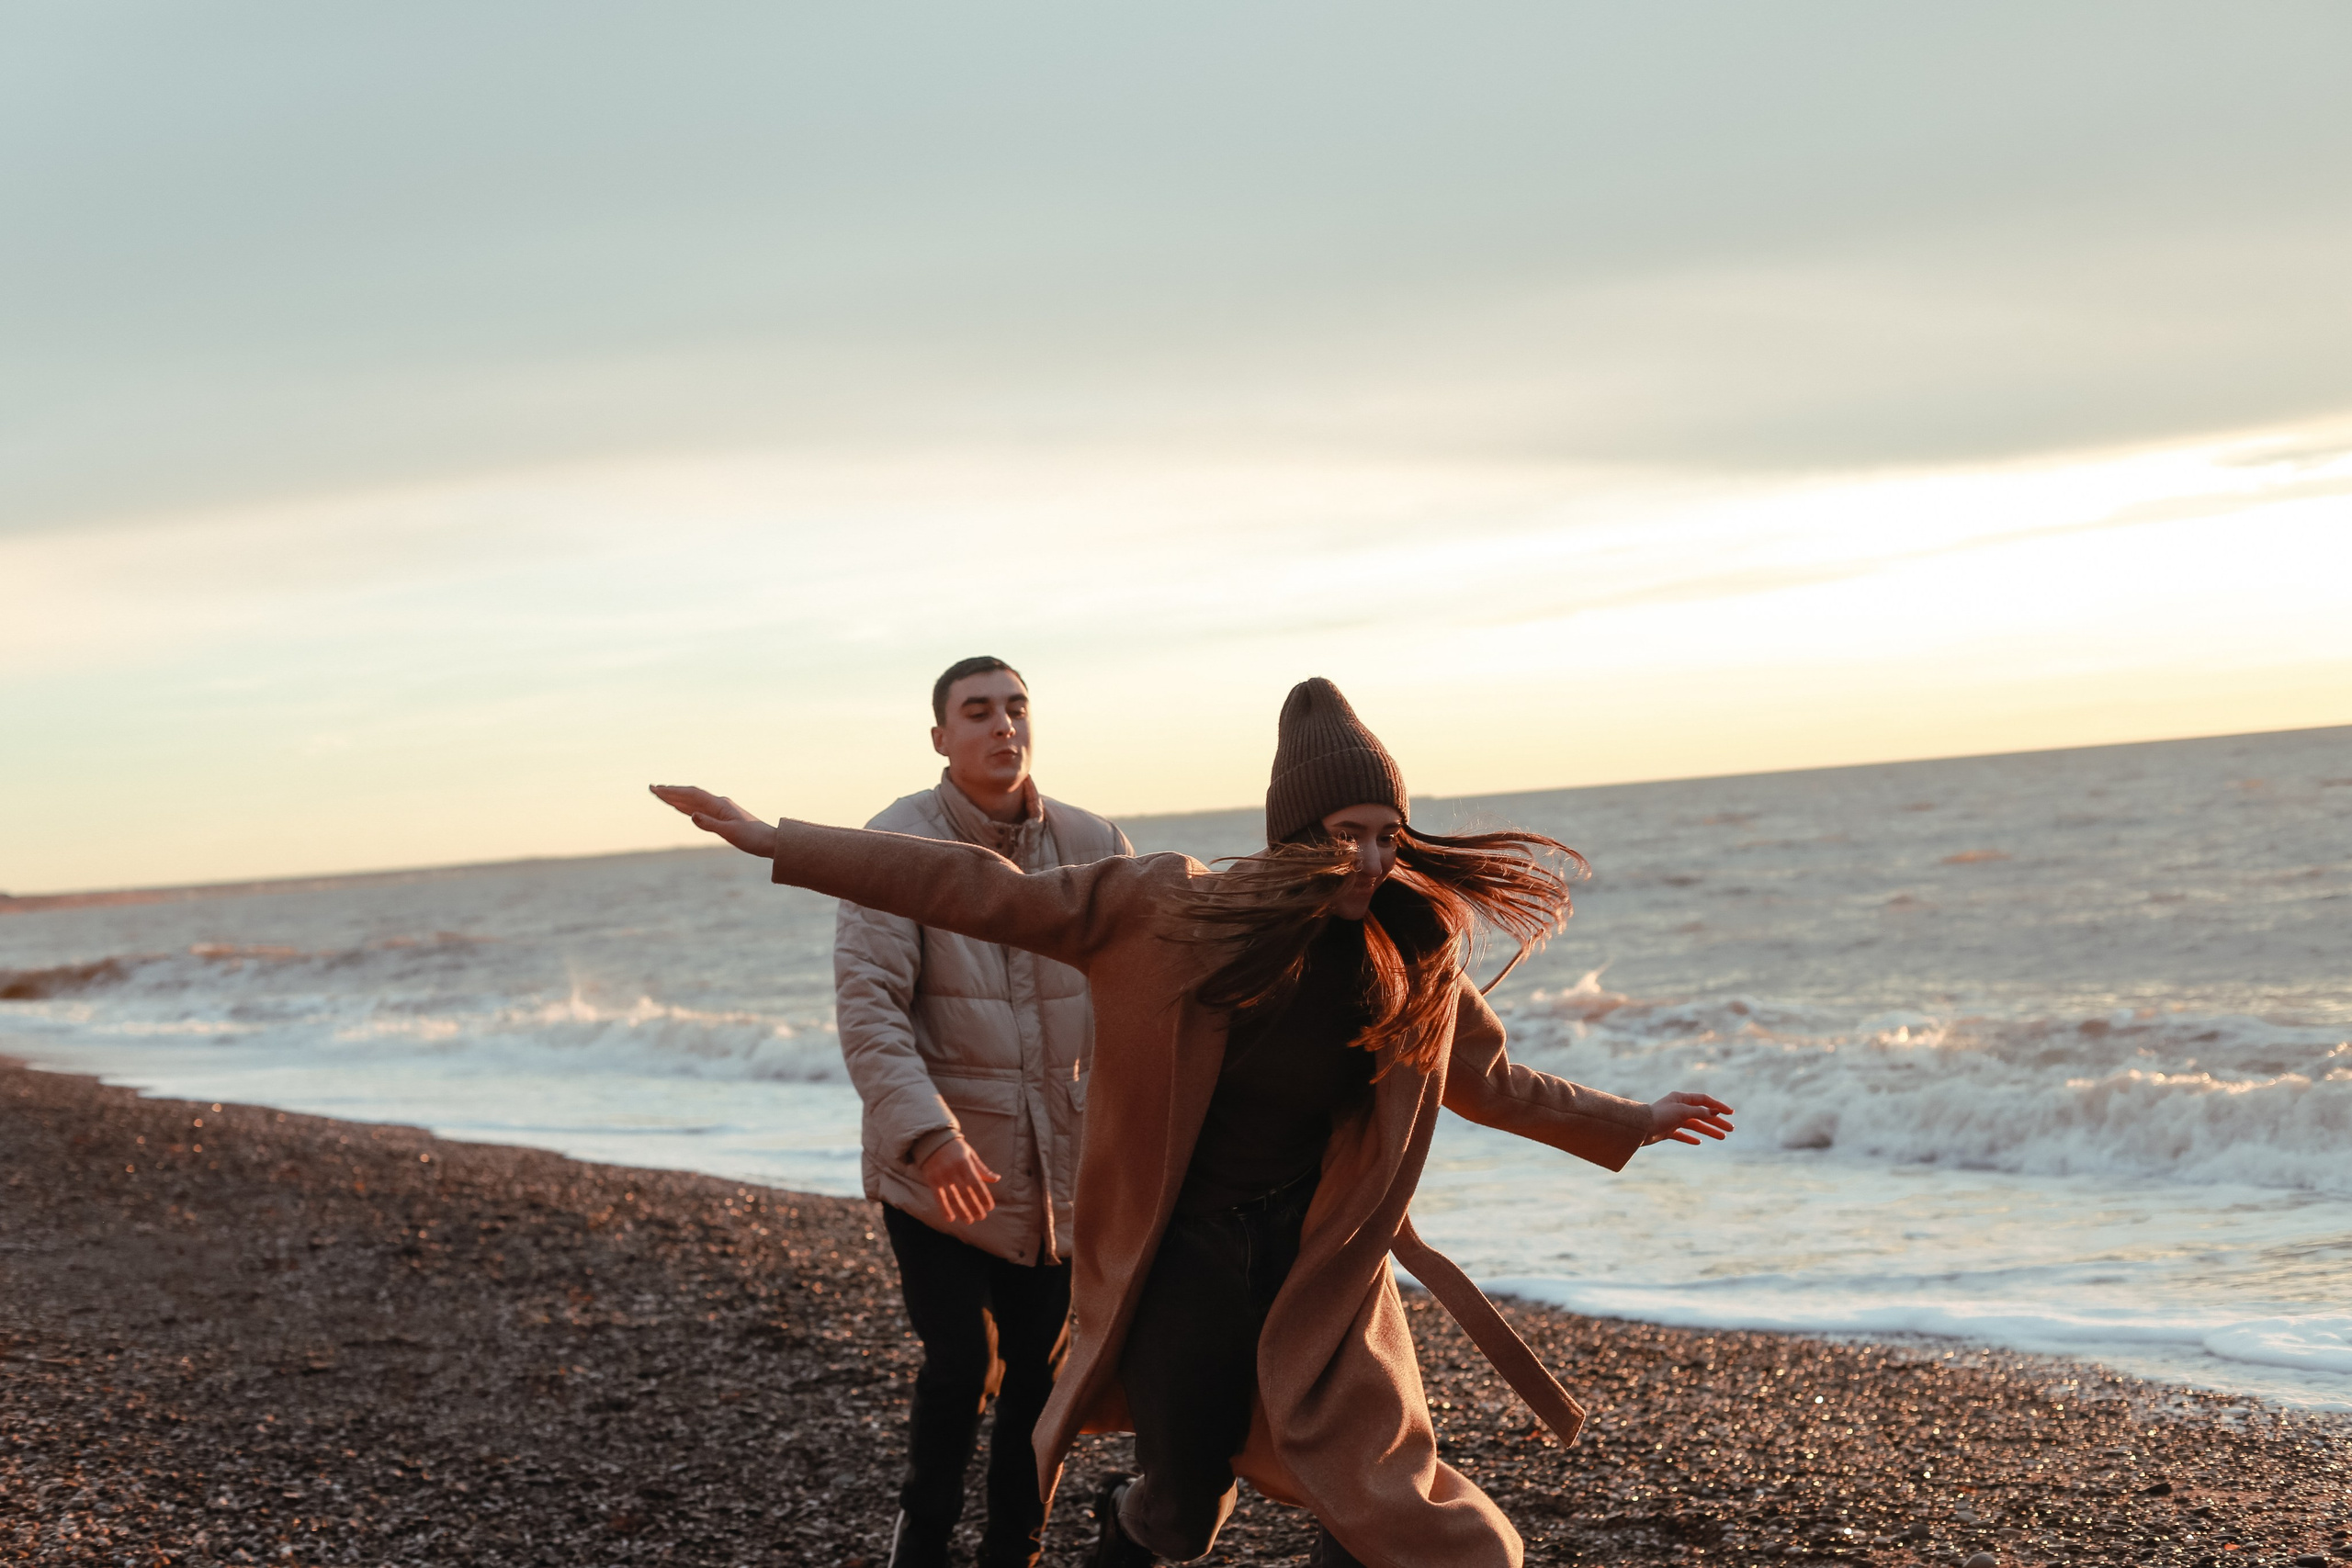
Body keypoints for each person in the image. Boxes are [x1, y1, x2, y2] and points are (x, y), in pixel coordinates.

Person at [652, 677, 1734, 1568]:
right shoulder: (1173, 911)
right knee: (1179, 1507)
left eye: (1385, 836)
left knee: (1406, 1518)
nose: (1367, 860)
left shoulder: (1410, 949)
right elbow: (974, 889)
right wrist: (774, 840)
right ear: (1296, 834)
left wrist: (1630, 1118)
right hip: (1185, 1259)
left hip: (1320, 1264)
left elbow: (1489, 1078)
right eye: (1344, 836)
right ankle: (1122, 1528)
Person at [702, 656, 1130, 1568]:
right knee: (959, 1367)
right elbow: (868, 1011)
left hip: (1056, 1170)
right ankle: (922, 1542)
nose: (1002, 725)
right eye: (977, 712)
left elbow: (1145, 994)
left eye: (1015, 708)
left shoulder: (1096, 842)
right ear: (940, 737)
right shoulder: (894, 840)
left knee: (1040, 1375)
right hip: (932, 1172)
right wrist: (929, 1135)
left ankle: (1012, 1549)